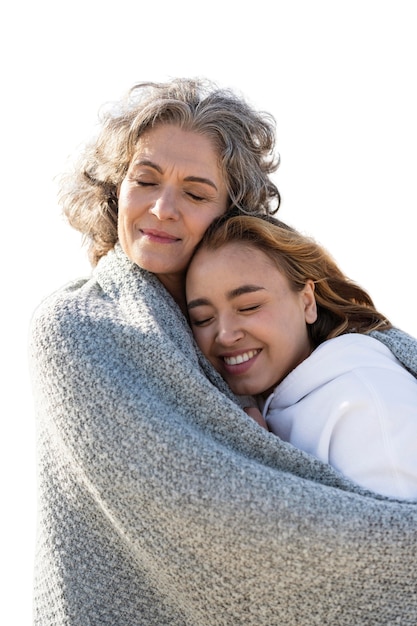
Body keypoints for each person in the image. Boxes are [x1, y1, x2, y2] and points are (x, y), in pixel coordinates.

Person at [29, 78, 417, 626]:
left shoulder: (339, 373)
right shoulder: (78, 326)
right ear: (115, 189)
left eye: (195, 192)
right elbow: (196, 502)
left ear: (229, 211)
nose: (163, 209)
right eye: (145, 180)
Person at [185, 214, 417, 500]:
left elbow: (396, 540)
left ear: (307, 302)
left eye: (248, 306)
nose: (225, 334)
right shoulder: (267, 398)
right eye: (202, 318)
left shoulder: (365, 404)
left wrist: (266, 469)